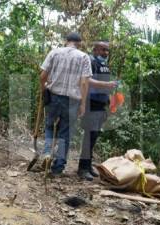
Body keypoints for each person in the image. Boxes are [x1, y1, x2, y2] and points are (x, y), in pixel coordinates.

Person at [39, 32, 92, 175]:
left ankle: (47, 153)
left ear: (66, 41)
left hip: (54, 96)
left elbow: (42, 76)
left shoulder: (54, 53)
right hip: (72, 101)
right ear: (79, 43)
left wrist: (44, 90)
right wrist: (82, 104)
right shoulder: (83, 57)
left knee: (49, 126)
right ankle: (57, 168)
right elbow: (84, 83)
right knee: (65, 133)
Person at [77, 41, 117, 181]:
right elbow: (86, 81)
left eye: (107, 50)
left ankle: (87, 165)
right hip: (90, 103)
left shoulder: (103, 65)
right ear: (95, 50)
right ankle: (82, 168)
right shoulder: (90, 62)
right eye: (103, 50)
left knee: (94, 136)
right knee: (89, 136)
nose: (106, 53)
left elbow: (105, 85)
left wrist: (110, 98)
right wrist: (106, 84)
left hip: (101, 104)